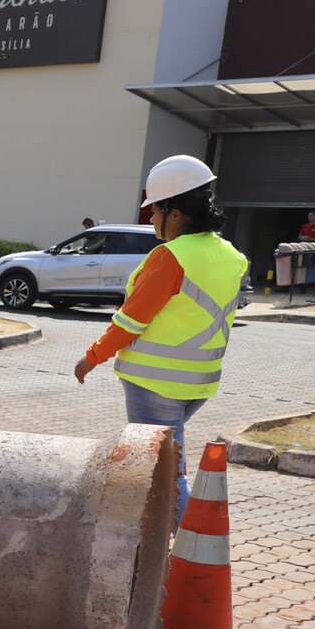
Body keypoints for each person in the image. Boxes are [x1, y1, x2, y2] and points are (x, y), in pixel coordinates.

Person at [75, 155, 247, 517]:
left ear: (175, 214)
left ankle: (190, 553)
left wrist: (90, 358)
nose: (151, 219)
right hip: (198, 384)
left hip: (154, 381)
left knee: (166, 472)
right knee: (166, 461)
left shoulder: (168, 257)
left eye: (155, 211)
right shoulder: (231, 254)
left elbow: (130, 323)